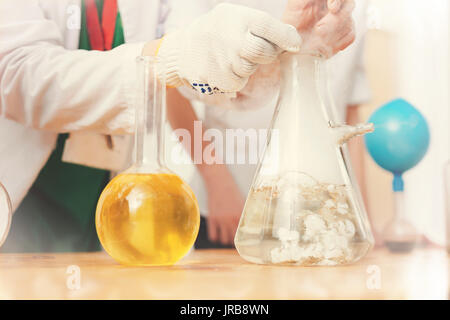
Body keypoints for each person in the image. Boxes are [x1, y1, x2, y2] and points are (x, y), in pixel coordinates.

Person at [0, 0, 355, 252]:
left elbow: (193, 71)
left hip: (114, 200)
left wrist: (281, 47)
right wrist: (170, 56)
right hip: (23, 200)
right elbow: (17, 75)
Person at [166, 0, 373, 247]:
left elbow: (349, 114)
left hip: (324, 219)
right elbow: (172, 79)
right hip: (233, 207)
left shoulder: (354, 7)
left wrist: (363, 219)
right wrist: (217, 182)